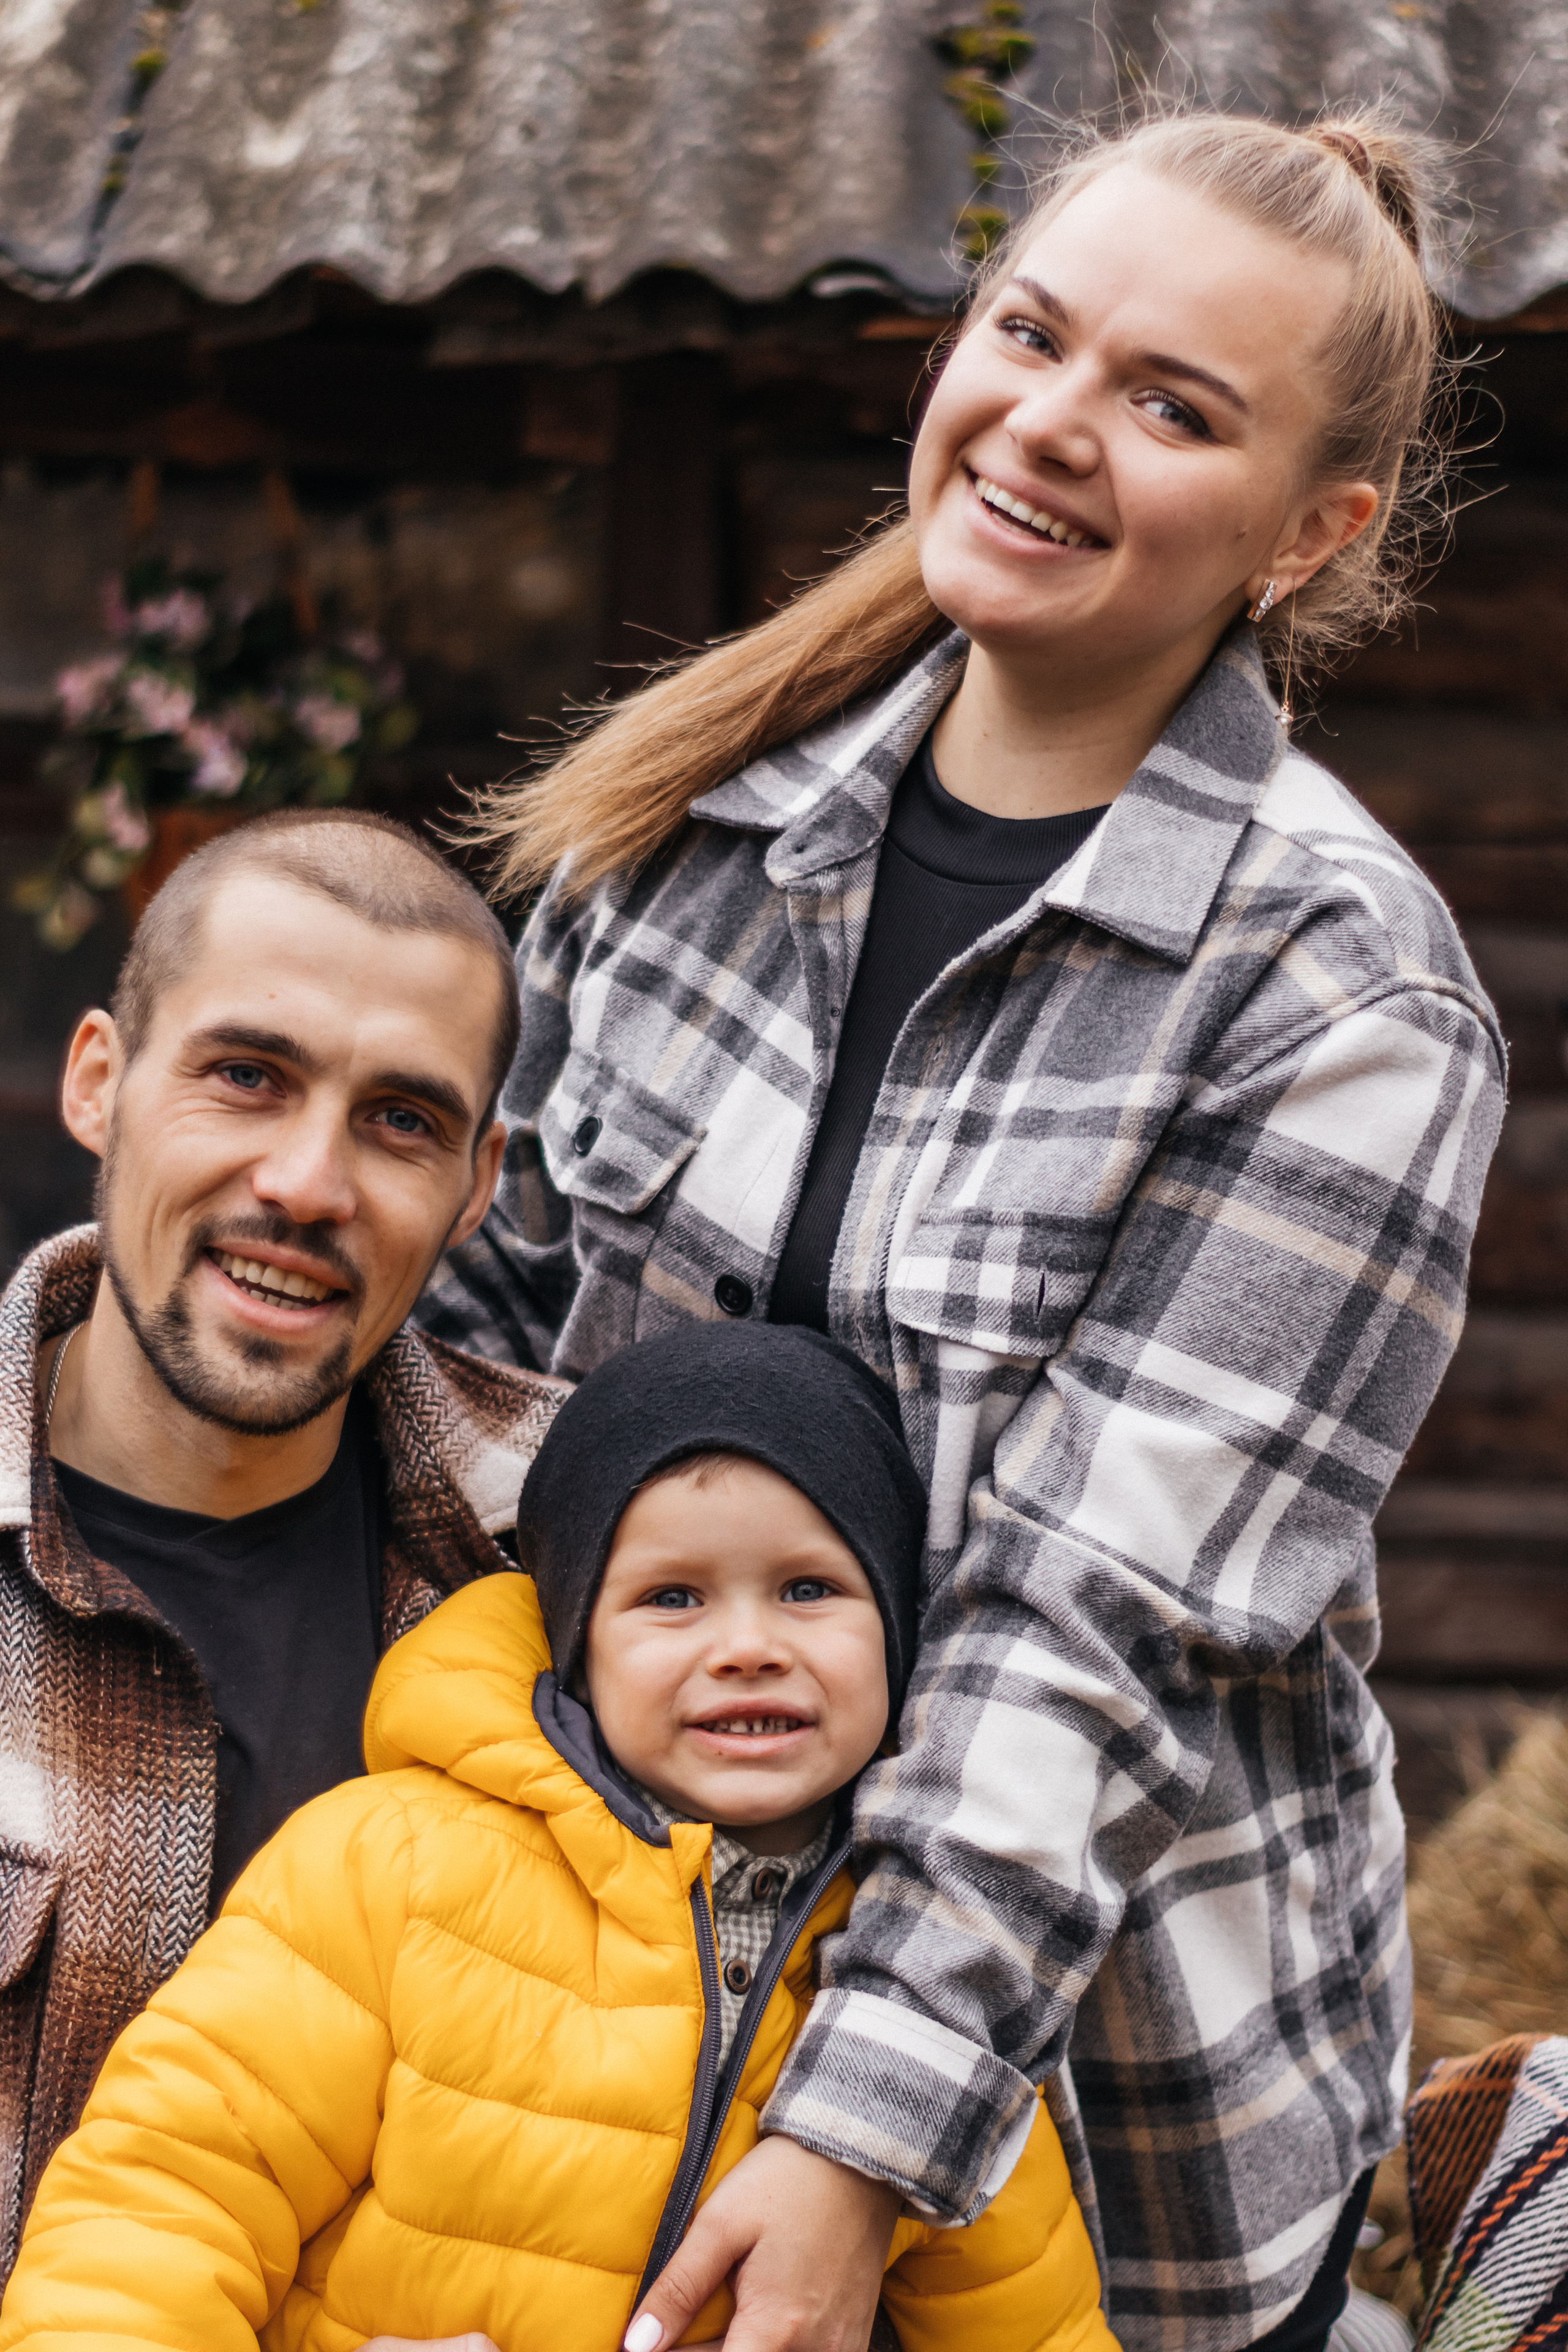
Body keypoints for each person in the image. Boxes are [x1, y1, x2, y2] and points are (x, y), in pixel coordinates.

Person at [418, 104, 1507, 2352]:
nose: (1052, 424)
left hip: (1102, 2148)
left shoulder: (1342, 1002)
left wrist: (852, 2141)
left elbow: (1095, 1636)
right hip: (611, 2047)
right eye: (1034, 336)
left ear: (1312, 536)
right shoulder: (693, 834)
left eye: (1171, 405)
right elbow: (490, 1378)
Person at [0, 1323, 1115, 2352]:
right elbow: (162, 2205)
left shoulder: (910, 1996)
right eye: (672, 1598)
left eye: (809, 1589)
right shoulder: (390, 1867)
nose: (746, 1647)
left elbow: (1036, 2327)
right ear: (576, 1643)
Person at [0, 810, 565, 2280]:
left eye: (400, 1121)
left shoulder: (590, 1571)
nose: (309, 1185)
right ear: (100, 1083)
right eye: (246, 1077)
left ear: (476, 1186)